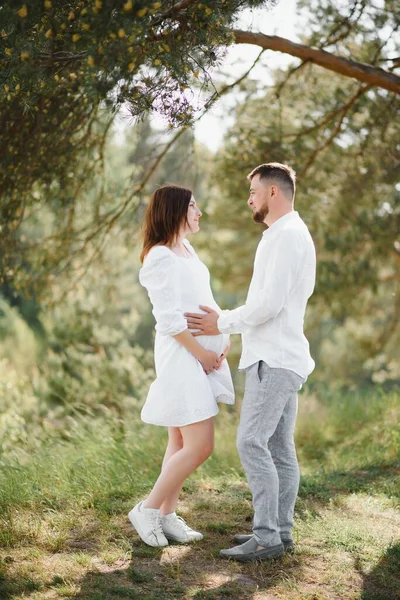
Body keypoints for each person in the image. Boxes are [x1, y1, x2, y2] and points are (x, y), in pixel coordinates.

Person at [185, 163, 316, 563]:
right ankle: (280, 532)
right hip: (282, 356)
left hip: (274, 360)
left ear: (274, 192)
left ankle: (266, 537)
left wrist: (221, 321)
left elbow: (268, 305)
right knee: (279, 449)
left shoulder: (286, 237)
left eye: (255, 191)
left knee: (251, 442)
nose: (250, 199)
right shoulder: (287, 234)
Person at [128, 184, 234, 548]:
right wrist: (202, 354)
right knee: (201, 445)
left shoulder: (187, 249)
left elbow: (205, 301)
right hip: (181, 357)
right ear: (175, 210)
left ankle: (167, 516)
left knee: (179, 439)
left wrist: (224, 333)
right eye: (192, 206)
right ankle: (148, 509)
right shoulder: (159, 257)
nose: (199, 211)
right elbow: (169, 319)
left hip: (204, 355)